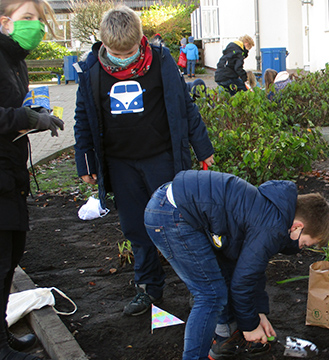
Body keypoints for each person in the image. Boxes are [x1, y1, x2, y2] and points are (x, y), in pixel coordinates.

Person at [73, 5, 214, 318]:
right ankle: (148, 288)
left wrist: (203, 148)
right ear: (103, 44)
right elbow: (84, 117)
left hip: (161, 158)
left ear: (141, 41)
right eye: (115, 52)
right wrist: (85, 163)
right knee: (136, 227)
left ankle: (199, 287)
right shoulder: (92, 70)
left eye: (130, 52)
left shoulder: (161, 61)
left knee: (180, 223)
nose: (124, 58)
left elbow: (185, 108)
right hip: (121, 163)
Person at [143, 170, 329, 360]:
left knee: (224, 276)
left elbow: (253, 270)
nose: (300, 248)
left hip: (171, 202)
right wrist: (250, 327)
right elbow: (242, 284)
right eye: (305, 243)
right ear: (298, 227)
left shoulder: (274, 211)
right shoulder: (272, 228)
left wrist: (259, 313)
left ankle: (226, 337)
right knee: (210, 295)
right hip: (172, 215)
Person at [0, 0, 63, 359]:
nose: (37, 26)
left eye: (40, 20)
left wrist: (32, 115)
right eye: (28, 18)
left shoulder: (15, 60)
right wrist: (21, 116)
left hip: (10, 173)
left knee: (10, 257)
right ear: (5, 22)